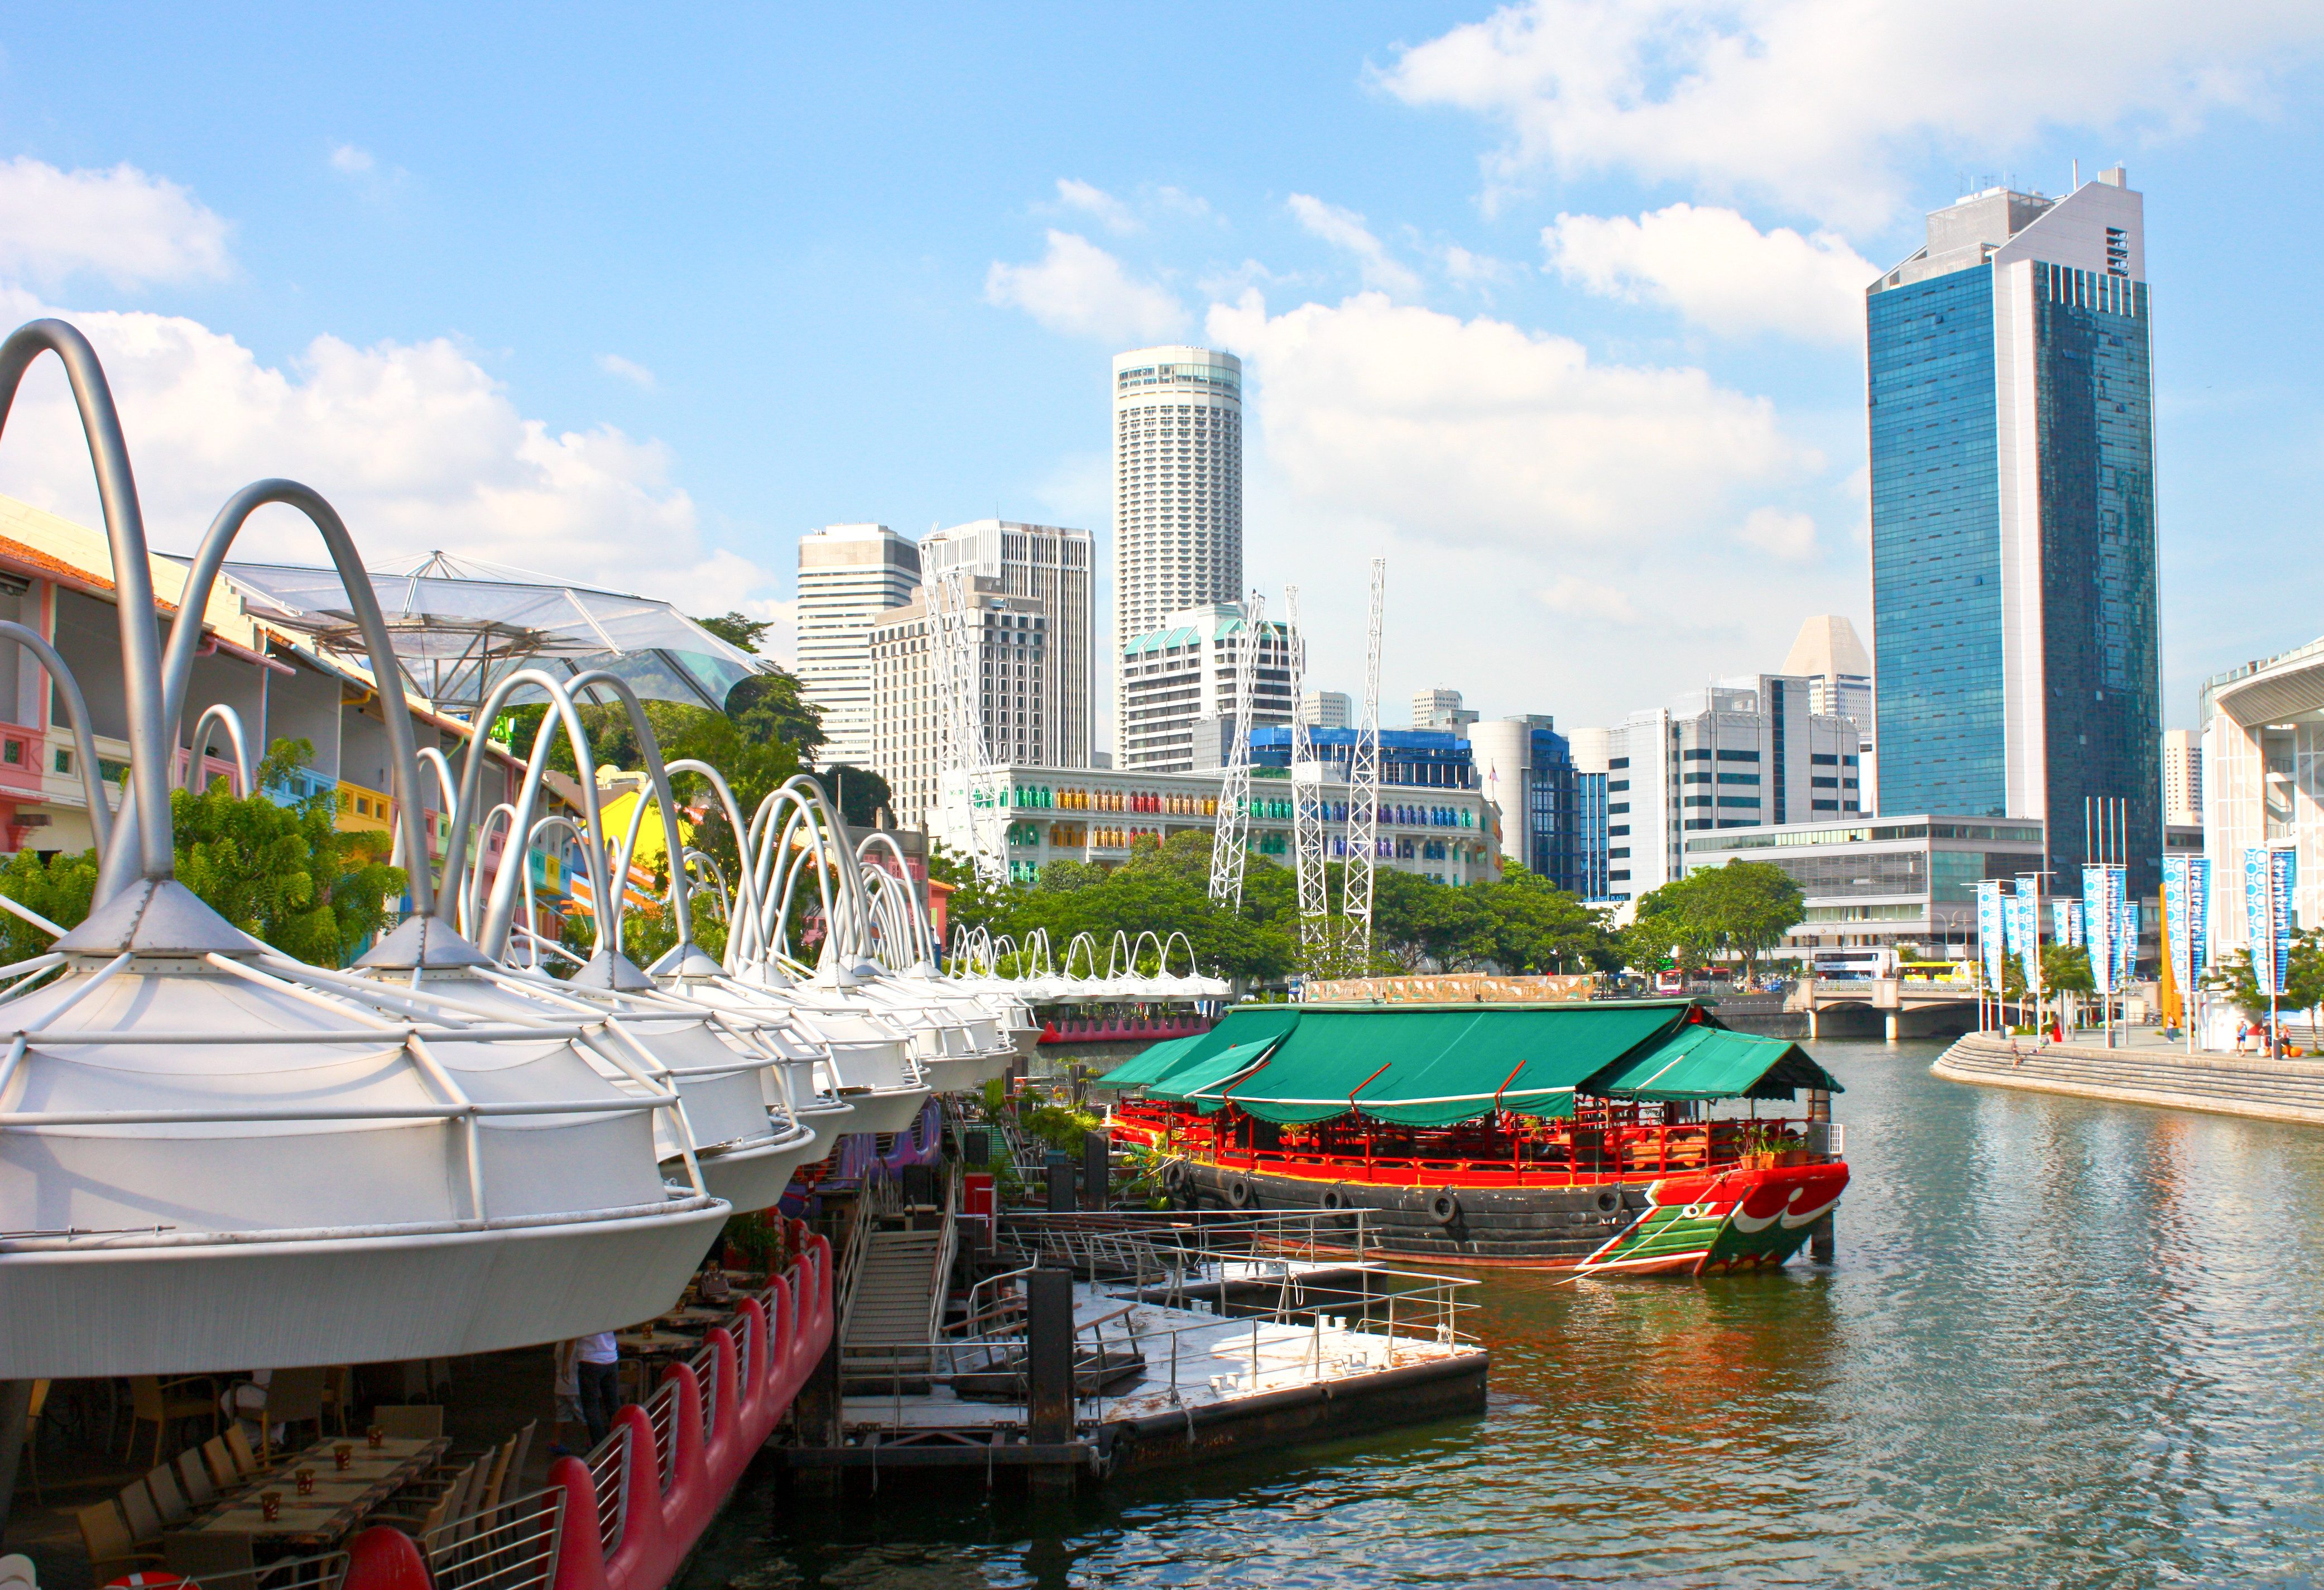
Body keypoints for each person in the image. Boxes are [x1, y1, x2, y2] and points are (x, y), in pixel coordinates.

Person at [574, 1333, 621, 1448]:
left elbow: (572, 1337)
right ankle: (621, 1443)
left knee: (591, 1408)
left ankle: (599, 1450)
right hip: (611, 1357)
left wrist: (565, 1363)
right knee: (614, 1405)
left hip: (589, 1359)